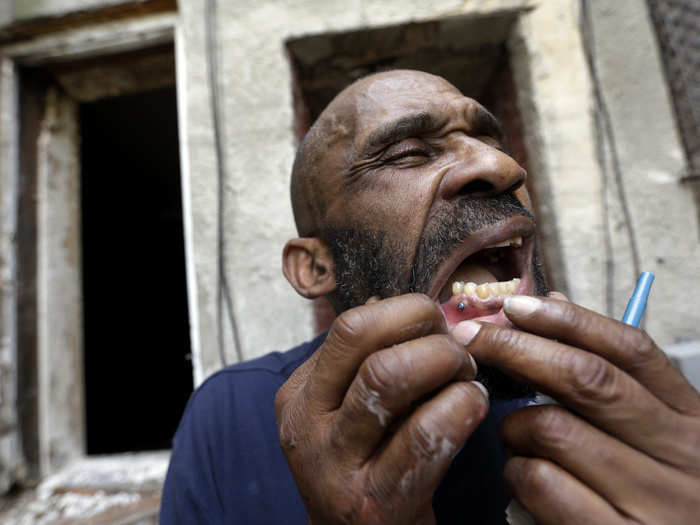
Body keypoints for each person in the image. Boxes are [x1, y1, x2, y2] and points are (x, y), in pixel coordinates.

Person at [160, 70, 700, 524]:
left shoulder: (624, 408)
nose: (503, 168)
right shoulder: (230, 417)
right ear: (317, 266)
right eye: (409, 153)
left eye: (491, 142)